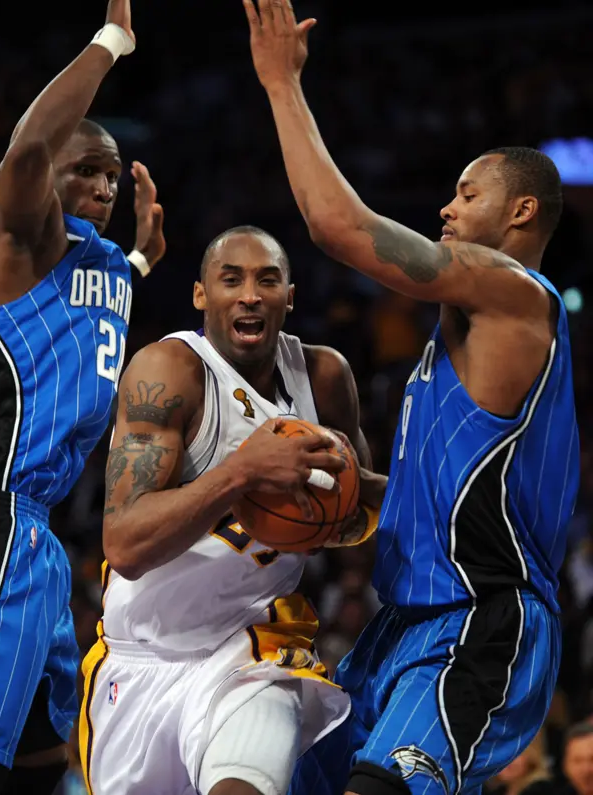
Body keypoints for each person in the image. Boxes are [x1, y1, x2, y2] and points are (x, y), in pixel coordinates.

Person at [243, 2, 580, 794]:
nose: (446, 208)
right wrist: (349, 490)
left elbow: (338, 227)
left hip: (479, 620)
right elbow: (458, 501)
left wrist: (281, 84)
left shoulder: (515, 292)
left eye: (467, 194)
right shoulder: (459, 335)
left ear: (522, 210)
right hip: (406, 622)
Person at [79, 225, 387, 795]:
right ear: (201, 295)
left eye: (267, 280)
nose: (250, 294)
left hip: (254, 650)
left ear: (289, 297)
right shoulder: (168, 371)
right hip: (139, 656)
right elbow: (123, 544)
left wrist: (351, 498)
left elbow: (354, 523)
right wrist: (243, 473)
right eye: (231, 279)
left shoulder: (323, 378)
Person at [0, 1, 166, 793]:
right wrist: (111, 44)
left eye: (113, 175)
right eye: (87, 170)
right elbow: (29, 151)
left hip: (36, 542)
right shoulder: (16, 240)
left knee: (45, 757)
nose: (104, 186)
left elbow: (71, 331)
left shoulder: (99, 264)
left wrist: (141, 263)